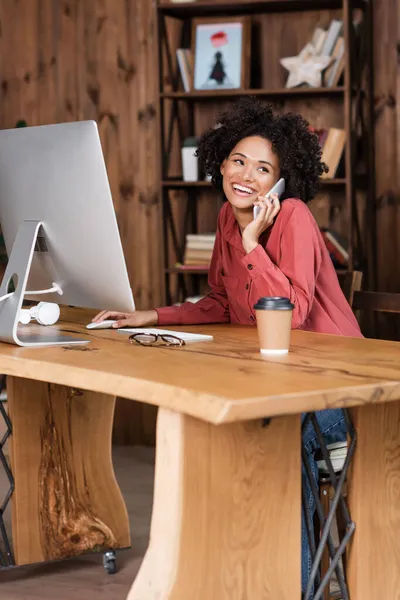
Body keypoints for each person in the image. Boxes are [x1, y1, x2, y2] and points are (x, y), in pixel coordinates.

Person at [93, 97, 362, 593]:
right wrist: (149, 315)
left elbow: (293, 312)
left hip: (330, 396)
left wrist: (254, 242)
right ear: (220, 162)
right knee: (213, 436)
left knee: (271, 447)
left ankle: (291, 588)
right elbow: (220, 300)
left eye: (264, 169)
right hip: (270, 384)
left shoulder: (295, 216)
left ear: (280, 183)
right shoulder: (225, 219)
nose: (246, 175)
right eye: (238, 161)